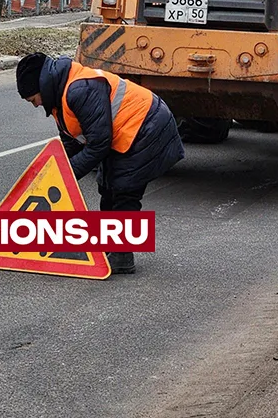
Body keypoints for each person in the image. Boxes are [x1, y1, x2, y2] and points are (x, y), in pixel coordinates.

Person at [16, 52, 184, 275]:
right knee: (107, 187)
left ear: (41, 86)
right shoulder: (58, 99)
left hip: (148, 127)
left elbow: (98, 145)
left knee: (124, 191)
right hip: (126, 133)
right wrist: (51, 174)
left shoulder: (79, 90)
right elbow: (72, 142)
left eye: (32, 100)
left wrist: (67, 175)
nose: (35, 105)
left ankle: (122, 257)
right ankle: (111, 248)